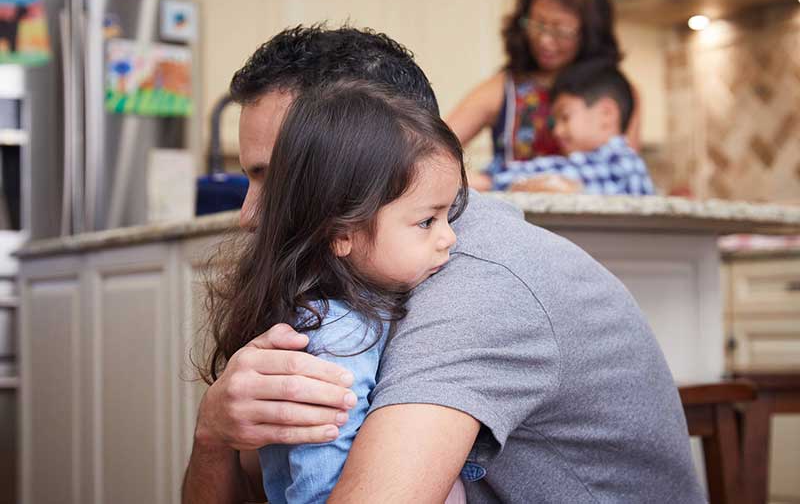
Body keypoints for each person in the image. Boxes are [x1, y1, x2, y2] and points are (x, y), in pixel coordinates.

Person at [183, 25, 705, 504]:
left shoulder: (472, 282)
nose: (248, 215)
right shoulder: (347, 286)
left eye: (279, 179)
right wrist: (212, 435)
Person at [203, 78, 469, 503]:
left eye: (449, 215)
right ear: (341, 233)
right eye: (427, 222)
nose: (450, 238)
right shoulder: (341, 336)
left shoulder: (343, 308)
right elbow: (320, 479)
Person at [446, 0, 641, 192]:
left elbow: (620, 174)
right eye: (537, 25)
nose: (545, 41)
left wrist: (493, 181)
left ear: (589, 32)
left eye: (561, 30)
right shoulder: (503, 88)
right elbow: (433, 147)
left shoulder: (618, 94)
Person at [493, 60, 655, 194]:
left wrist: (496, 179)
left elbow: (565, 173)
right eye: (555, 123)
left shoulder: (621, 162)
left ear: (606, 114)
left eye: (565, 117)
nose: (557, 131)